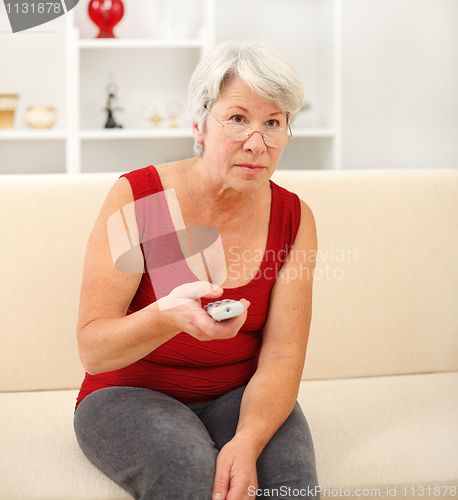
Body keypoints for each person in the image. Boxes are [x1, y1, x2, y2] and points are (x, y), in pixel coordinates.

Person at [74, 40, 319, 500]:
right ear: (199, 124)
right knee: (187, 471)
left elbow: (283, 355)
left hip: (237, 393)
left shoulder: (294, 218)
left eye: (273, 123)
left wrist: (245, 441)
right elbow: (93, 351)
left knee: (289, 484)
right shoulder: (140, 197)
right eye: (238, 118)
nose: (256, 143)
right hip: (127, 390)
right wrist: (165, 318)